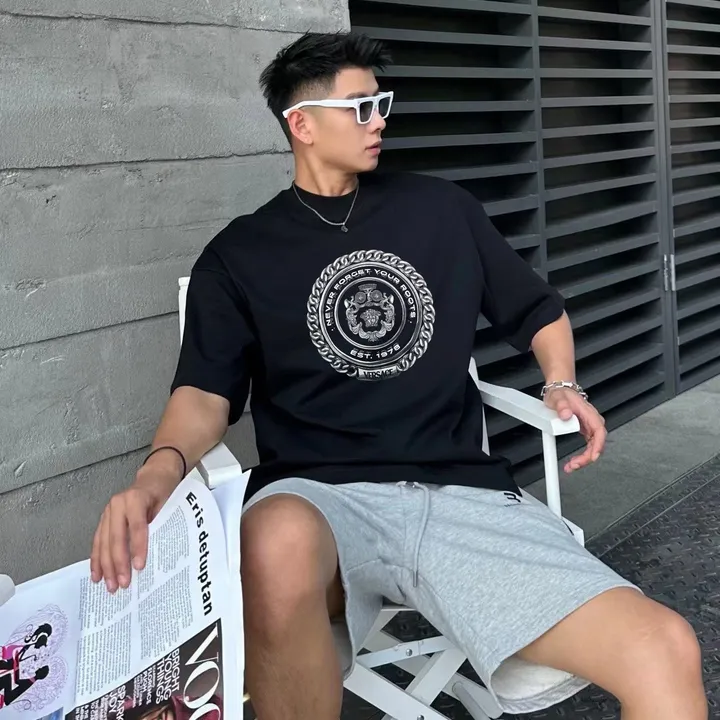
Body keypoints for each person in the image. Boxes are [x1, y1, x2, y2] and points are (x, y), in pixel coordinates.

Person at [90, 31, 707, 720]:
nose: (380, 120)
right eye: (360, 107)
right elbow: (205, 393)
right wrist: (154, 479)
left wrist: (562, 382)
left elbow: (538, 310)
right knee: (275, 535)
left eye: (380, 103)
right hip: (322, 502)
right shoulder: (239, 255)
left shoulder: (440, 210)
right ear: (302, 124)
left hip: (459, 492)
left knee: (665, 647)